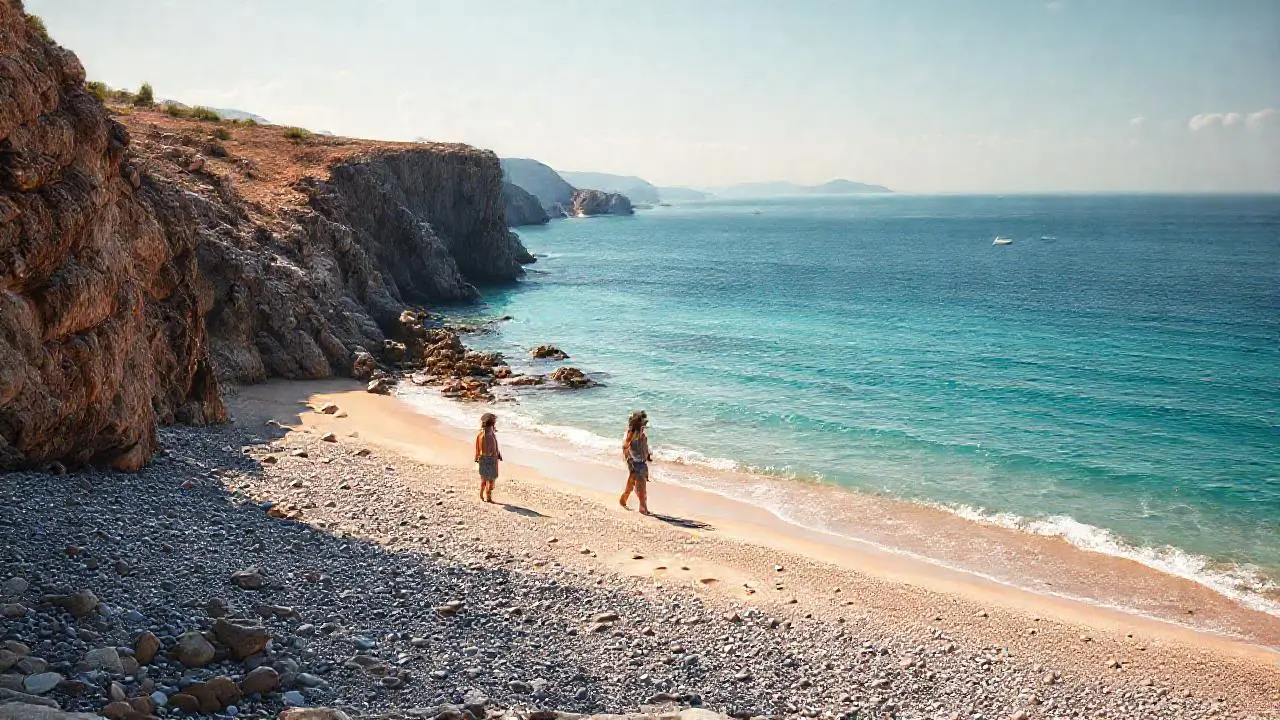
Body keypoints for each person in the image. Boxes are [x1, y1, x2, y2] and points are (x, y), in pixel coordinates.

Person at [619, 410, 653, 515]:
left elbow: (645, 446)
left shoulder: (642, 434)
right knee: (641, 486)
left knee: (632, 482)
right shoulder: (632, 434)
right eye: (642, 424)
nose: (644, 426)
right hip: (636, 462)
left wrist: (648, 455)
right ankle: (643, 507)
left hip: (641, 462)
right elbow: (625, 446)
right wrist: (629, 459)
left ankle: (623, 499)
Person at [474, 413, 502, 503]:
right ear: (492, 423)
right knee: (487, 480)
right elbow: (478, 447)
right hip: (487, 459)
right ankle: (485, 495)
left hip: (489, 459)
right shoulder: (484, 435)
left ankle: (485, 493)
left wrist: (498, 453)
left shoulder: (489, 434)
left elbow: (495, 446)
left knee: (488, 479)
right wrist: (477, 456)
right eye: (495, 422)